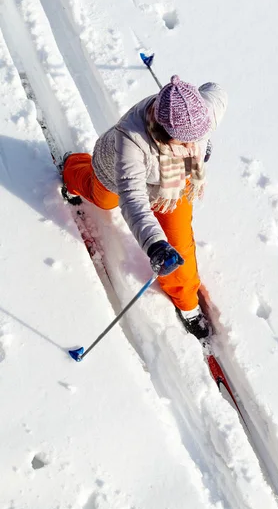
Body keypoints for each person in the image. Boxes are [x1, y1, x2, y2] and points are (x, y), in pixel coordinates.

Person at [61, 75, 227, 338]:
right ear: (164, 132)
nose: (191, 147)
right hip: (115, 173)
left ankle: (187, 303)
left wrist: (200, 146)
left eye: (197, 138)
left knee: (179, 242)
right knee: (101, 197)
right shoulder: (131, 139)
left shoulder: (203, 112)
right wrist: (154, 245)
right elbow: (132, 198)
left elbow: (216, 89)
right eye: (184, 142)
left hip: (172, 184)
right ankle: (73, 168)